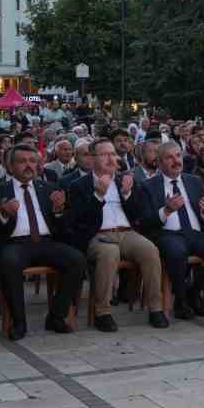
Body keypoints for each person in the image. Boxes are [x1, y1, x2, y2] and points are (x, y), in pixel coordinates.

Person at [0, 143, 87, 338]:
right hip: (14, 243)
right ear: (10, 166)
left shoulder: (49, 188)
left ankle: (56, 315)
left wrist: (58, 211)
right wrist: (4, 215)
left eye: (32, 161)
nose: (28, 165)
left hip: (46, 242)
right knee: (9, 261)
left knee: (77, 259)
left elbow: (63, 229)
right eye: (22, 161)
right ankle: (19, 321)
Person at [68, 138, 163, 330]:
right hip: (98, 235)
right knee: (109, 253)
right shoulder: (79, 185)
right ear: (92, 159)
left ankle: (156, 308)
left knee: (150, 250)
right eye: (105, 154)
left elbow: (139, 215)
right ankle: (103, 312)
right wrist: (98, 195)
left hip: (126, 232)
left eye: (113, 154)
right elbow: (80, 221)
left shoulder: (123, 180)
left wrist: (128, 194)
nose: (111, 159)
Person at [138, 141, 204, 319]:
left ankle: (194, 293)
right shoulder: (148, 186)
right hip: (167, 234)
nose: (176, 161)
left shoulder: (194, 181)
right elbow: (144, 222)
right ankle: (180, 302)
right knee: (176, 251)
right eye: (169, 157)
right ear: (159, 162)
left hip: (195, 233)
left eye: (178, 156)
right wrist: (166, 210)